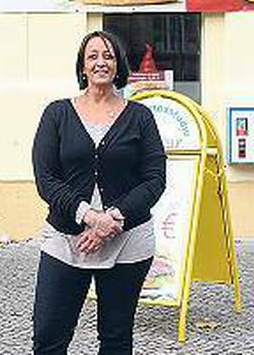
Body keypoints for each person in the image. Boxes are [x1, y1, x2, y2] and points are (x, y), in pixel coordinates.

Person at [31, 31, 166, 354]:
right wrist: (90, 217)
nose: (100, 62)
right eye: (92, 56)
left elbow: (154, 179)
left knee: (116, 338)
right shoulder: (57, 114)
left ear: (118, 64)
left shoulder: (140, 116)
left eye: (108, 56)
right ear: (82, 66)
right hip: (66, 239)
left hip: (127, 241)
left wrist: (112, 220)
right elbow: (46, 178)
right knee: (48, 338)